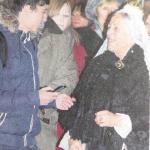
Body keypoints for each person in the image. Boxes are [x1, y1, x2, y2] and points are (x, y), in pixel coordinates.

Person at [60, 4, 150, 150]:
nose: (108, 33)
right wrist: (74, 136)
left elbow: (145, 118)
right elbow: (77, 101)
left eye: (116, 29)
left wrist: (117, 120)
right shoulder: (98, 63)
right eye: (109, 27)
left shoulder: (142, 70)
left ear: (132, 34)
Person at [0, 0, 55, 149]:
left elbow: (22, 91)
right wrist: (35, 97)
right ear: (26, 8)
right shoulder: (2, 40)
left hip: (27, 140)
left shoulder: (28, 41)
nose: (46, 18)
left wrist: (52, 100)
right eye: (43, 11)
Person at [36, 0, 78, 150]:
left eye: (66, 15)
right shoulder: (27, 34)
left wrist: (49, 95)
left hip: (43, 116)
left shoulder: (65, 39)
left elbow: (69, 76)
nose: (61, 20)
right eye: (57, 15)